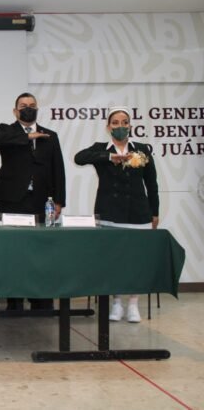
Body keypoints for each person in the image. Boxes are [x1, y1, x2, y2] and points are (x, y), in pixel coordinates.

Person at [74, 106, 159, 323]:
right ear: (108, 127)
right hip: (109, 212)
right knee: (114, 259)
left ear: (130, 126)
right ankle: (117, 302)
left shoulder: (141, 149)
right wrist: (110, 156)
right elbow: (79, 158)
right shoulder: (100, 149)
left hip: (138, 212)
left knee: (135, 260)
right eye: (115, 123)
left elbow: (152, 184)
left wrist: (155, 212)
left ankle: (133, 304)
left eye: (124, 122)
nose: (120, 126)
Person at [0, 92, 66, 311]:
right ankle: (14, 299)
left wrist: (59, 200)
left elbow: (58, 169)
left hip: (41, 200)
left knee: (41, 250)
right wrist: (29, 137)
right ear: (15, 111)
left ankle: (40, 299)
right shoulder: (6, 130)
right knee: (13, 249)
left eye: (32, 105)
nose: (28, 108)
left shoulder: (50, 135)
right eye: (23, 106)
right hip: (12, 199)